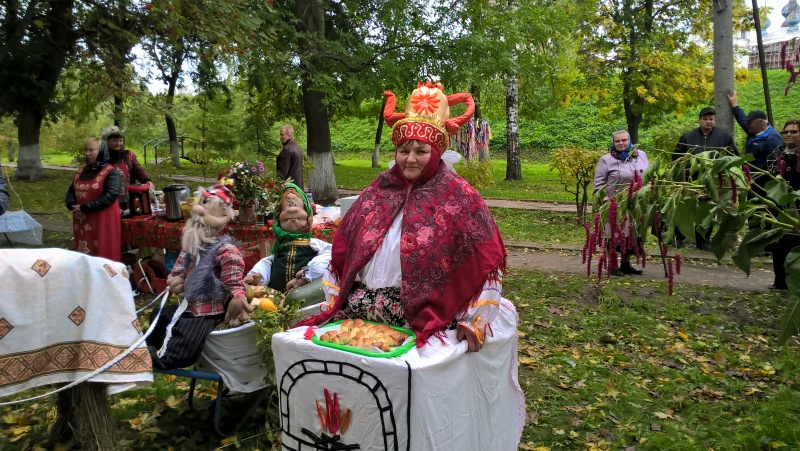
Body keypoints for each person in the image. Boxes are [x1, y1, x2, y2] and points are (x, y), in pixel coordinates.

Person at [295, 81, 511, 352]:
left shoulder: (460, 196)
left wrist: (474, 319)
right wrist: (334, 295)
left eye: (421, 151)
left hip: (425, 317)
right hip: (361, 316)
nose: (410, 159)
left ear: (436, 153)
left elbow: (484, 257)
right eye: (404, 151)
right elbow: (346, 245)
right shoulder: (378, 190)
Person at [146, 185, 252, 369]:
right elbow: (178, 270)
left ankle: (166, 359)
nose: (198, 211)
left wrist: (238, 298)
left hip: (209, 310)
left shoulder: (225, 250)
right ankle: (149, 346)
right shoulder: (192, 247)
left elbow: (233, 280)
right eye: (201, 204)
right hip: (188, 305)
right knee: (159, 315)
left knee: (189, 333)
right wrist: (175, 281)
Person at [244, 183, 331, 292]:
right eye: (288, 206)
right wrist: (258, 275)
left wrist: (308, 273)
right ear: (278, 219)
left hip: (306, 296)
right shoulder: (280, 246)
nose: (291, 210)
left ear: (308, 218)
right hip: (275, 297)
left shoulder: (314, 244)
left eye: (296, 205)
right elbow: (269, 262)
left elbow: (333, 254)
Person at [673, 107, 738, 251]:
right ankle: (678, 237)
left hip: (712, 180)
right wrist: (684, 167)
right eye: (705, 119)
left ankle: (703, 239)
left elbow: (733, 156)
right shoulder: (688, 137)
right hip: (691, 179)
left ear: (715, 120)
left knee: (707, 209)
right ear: (699, 120)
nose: (708, 122)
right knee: (685, 207)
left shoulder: (724, 137)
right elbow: (676, 156)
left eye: (711, 119)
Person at [593, 129, 650, 276]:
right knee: (613, 235)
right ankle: (612, 265)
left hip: (635, 203)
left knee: (631, 235)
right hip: (615, 204)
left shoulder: (641, 155)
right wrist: (606, 200)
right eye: (617, 141)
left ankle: (625, 264)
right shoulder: (606, 160)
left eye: (624, 140)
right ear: (613, 143)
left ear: (629, 141)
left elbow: (649, 175)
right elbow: (598, 185)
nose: (621, 143)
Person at [65, 139, 122, 261]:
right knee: (83, 256)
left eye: (91, 150)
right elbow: (71, 191)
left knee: (102, 255)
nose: (87, 153)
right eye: (86, 150)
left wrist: (84, 207)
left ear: (100, 152)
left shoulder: (111, 172)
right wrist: (70, 203)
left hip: (102, 221)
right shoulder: (81, 171)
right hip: (82, 223)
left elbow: (110, 196)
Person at [766, 119, 800, 290]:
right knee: (779, 243)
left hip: (798, 206)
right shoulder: (776, 154)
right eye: (786, 132)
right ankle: (780, 281)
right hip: (780, 206)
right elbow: (770, 177)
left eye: (794, 132)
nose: (789, 134)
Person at [100, 126, 153, 215]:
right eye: (115, 141)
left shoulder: (129, 155)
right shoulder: (101, 158)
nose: (118, 143)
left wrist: (147, 180)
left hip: (130, 196)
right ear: (107, 141)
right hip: (110, 198)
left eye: (120, 140)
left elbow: (138, 170)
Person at [727, 91, 783, 171]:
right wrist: (734, 105)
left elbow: (774, 164)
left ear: (760, 122)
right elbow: (742, 119)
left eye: (749, 122)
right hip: (747, 174)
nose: (747, 124)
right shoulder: (754, 130)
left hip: (760, 176)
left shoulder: (773, 139)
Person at [276, 125, 304, 190]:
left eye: (282, 135)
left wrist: (277, 185)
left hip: (290, 188)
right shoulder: (298, 148)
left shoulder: (287, 150)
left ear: (289, 135)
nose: (280, 137)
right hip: (298, 186)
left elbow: (282, 172)